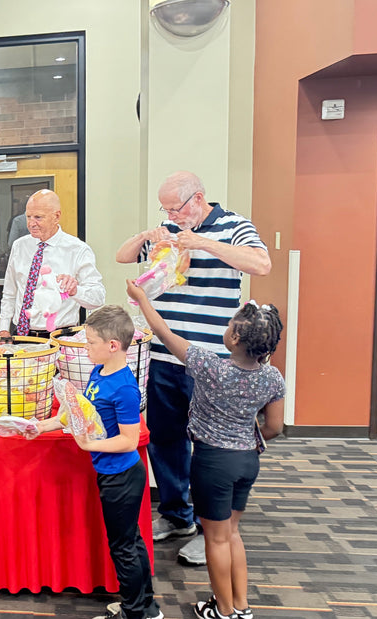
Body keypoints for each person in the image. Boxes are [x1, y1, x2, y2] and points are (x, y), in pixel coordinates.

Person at [114, 171, 271, 567]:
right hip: (164, 355)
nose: (171, 215)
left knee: (209, 448)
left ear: (198, 199)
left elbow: (261, 264)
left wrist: (201, 241)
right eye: (165, 208)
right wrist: (151, 234)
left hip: (210, 363)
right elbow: (124, 256)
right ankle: (176, 515)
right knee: (165, 441)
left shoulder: (235, 225)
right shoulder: (170, 226)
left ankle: (210, 530)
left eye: (176, 208)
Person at [127, 281, 284, 619]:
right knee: (232, 534)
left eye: (229, 327)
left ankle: (223, 611)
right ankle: (242, 607)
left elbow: (163, 332)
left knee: (215, 540)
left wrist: (141, 299)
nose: (226, 329)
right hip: (247, 461)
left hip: (213, 463)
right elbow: (274, 427)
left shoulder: (211, 368)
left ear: (236, 340)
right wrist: (247, 441)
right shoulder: (272, 377)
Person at [37, 306, 162, 619]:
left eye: (91, 342)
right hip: (111, 474)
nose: (86, 347)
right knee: (130, 540)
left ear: (113, 346)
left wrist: (90, 444)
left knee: (123, 547)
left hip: (122, 477)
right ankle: (146, 607)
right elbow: (78, 411)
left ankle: (133, 612)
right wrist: (43, 426)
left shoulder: (124, 387)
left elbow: (129, 440)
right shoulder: (98, 372)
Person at [0, 189, 106, 338]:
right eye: (28, 217)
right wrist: (3, 328)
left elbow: (98, 297)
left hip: (60, 337)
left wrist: (75, 291)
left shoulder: (78, 250)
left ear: (56, 216)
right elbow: (10, 292)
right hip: (22, 336)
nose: (31, 223)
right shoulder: (19, 246)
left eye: (38, 217)